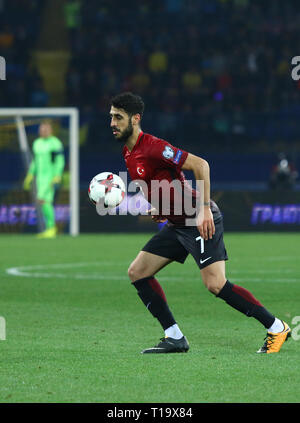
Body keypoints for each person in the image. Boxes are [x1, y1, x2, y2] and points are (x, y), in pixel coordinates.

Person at [109, 92, 291, 354]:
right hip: (177, 222)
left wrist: (204, 209)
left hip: (197, 217)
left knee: (215, 284)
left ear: (135, 119)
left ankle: (276, 327)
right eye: (111, 117)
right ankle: (174, 337)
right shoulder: (128, 152)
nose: (113, 122)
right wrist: (162, 208)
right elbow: (166, 183)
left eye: (118, 117)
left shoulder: (154, 146)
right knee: (137, 272)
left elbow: (201, 165)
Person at [23, 120, 65, 238]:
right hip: (40, 178)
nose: (43, 131)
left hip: (50, 177)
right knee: (43, 201)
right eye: (41, 129)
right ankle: (50, 228)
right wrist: (30, 175)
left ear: (50, 130)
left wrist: (57, 175)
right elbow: (35, 161)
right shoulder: (37, 143)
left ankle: (51, 228)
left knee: (44, 200)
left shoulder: (55, 143)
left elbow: (59, 161)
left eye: (45, 129)